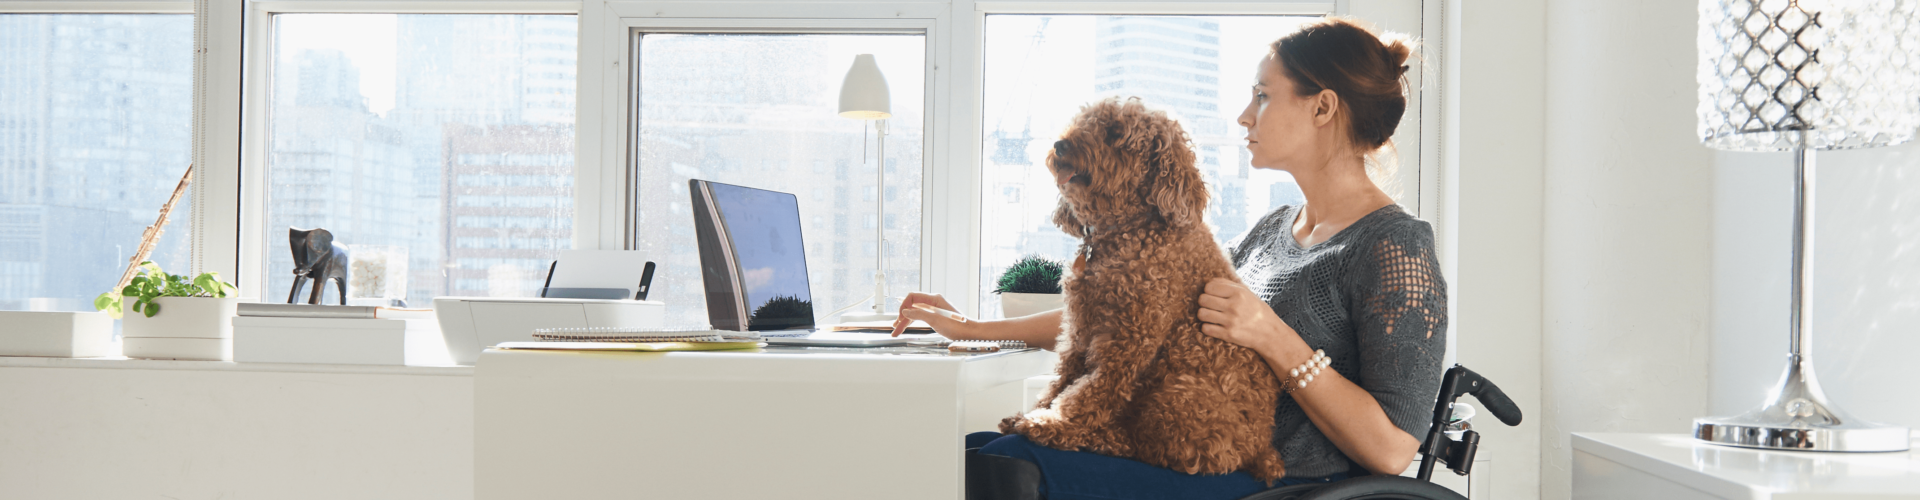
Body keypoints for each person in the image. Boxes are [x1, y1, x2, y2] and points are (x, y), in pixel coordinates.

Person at [893, 17, 1446, 500]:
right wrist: (971, 327)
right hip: (1191, 457)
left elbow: (1392, 449)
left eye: (1262, 96)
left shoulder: (1393, 247)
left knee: (1001, 464)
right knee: (965, 451)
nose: (1243, 117)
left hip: (1285, 483)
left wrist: (1273, 337)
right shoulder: (1273, 230)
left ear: (1322, 106)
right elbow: (1137, 313)